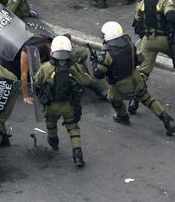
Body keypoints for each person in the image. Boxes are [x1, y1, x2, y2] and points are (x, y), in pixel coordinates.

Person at [91, 21, 175, 136]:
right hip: (136, 79)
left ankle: (123, 116)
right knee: (147, 99)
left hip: (120, 85)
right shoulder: (130, 44)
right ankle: (167, 120)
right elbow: (136, 60)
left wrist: (94, 62)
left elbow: (98, 74)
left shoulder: (107, 54)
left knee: (112, 98)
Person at [34, 35, 93, 167]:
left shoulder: (46, 67)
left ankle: (54, 142)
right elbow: (87, 81)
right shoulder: (74, 67)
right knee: (73, 128)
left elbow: (37, 81)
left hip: (51, 105)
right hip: (69, 105)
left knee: (51, 123)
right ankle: (78, 155)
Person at [130, 0, 175, 114]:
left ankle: (134, 101)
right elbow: (171, 16)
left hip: (148, 41)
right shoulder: (166, 0)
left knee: (142, 72)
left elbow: (136, 22)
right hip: (167, 40)